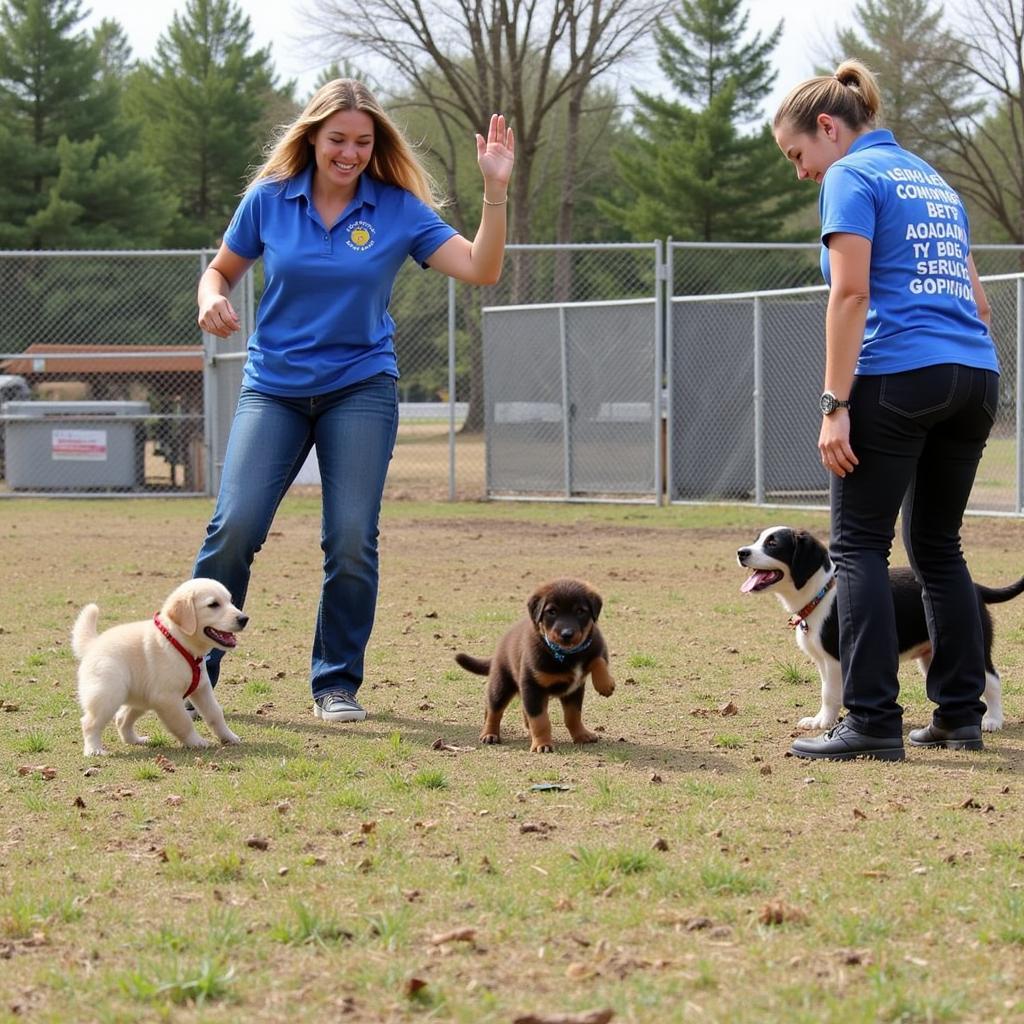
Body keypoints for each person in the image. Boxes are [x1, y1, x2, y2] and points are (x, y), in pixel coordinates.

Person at [193, 79, 514, 723]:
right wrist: (210, 298)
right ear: (312, 137)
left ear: (377, 145)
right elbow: (221, 270)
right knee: (234, 528)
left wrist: (495, 190)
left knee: (349, 539)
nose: (349, 152)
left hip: (360, 387)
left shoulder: (395, 209)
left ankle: (335, 682)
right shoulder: (268, 201)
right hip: (274, 387)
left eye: (363, 142)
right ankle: (192, 675)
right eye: (337, 139)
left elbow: (482, 268)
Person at [772, 60, 999, 761]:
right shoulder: (931, 179)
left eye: (798, 153)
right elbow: (980, 302)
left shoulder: (851, 176)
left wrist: (835, 402)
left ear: (830, 129)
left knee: (859, 546)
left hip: (899, 375)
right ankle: (960, 715)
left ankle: (870, 720)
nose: (802, 171)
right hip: (974, 375)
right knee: (937, 546)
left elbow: (850, 294)